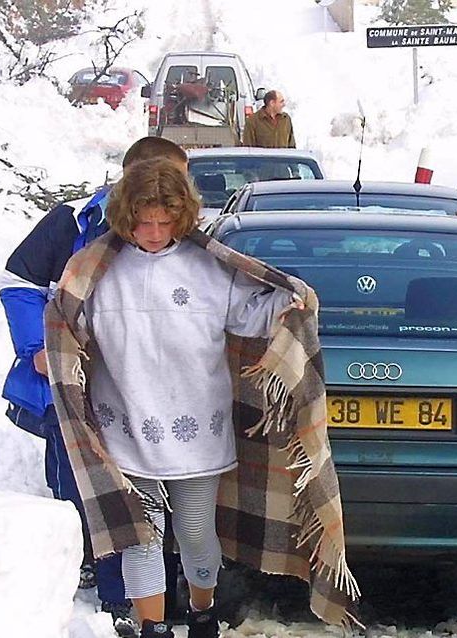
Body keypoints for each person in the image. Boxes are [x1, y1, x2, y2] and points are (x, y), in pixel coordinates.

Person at [44, 157, 358, 637]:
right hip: (124, 426)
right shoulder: (94, 272)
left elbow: (250, 314)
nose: (153, 231)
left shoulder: (208, 268)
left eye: (164, 221)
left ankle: (201, 610)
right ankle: (151, 627)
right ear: (126, 215)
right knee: (141, 538)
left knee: (193, 531)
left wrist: (286, 303)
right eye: (144, 221)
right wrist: (56, 351)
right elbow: (69, 324)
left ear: (182, 216)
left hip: (197, 426)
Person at [0, 136, 190, 636]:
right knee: (85, 487)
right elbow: (14, 282)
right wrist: (36, 348)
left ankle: (136, 593)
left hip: (148, 391)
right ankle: (106, 591)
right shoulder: (72, 225)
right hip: (77, 385)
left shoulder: (180, 232)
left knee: (143, 491)